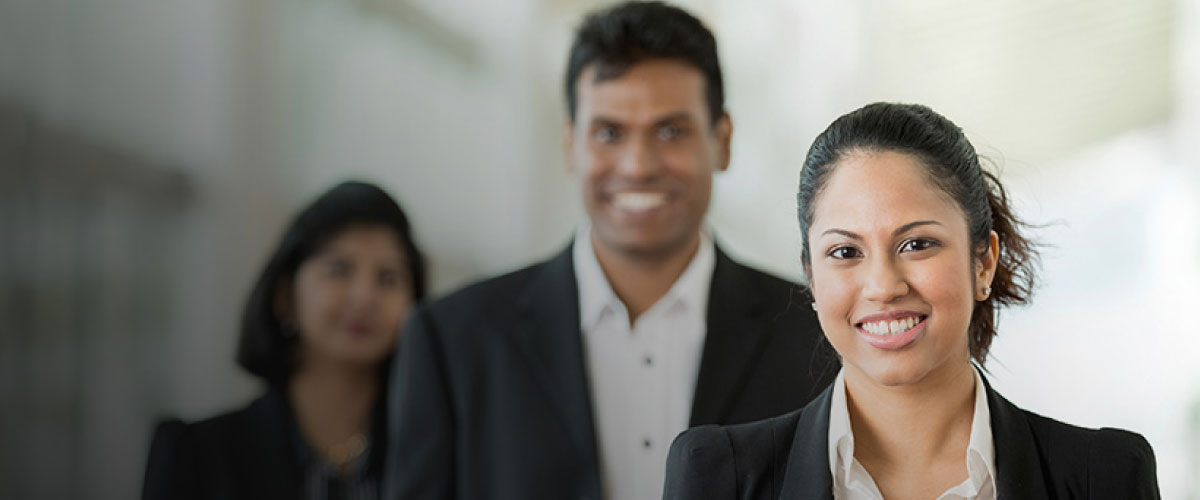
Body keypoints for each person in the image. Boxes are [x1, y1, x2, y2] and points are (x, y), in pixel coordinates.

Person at [383, 2, 837, 500]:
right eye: (609, 133)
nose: (638, 165)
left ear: (721, 141)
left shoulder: (818, 338)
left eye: (670, 131)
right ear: (570, 144)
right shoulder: (454, 342)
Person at [663, 102, 1161, 499]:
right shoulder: (720, 476)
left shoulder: (1105, 477)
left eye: (916, 244)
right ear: (812, 277)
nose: (883, 285)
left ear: (983, 261)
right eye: (845, 251)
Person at [142, 181, 427, 500]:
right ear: (284, 297)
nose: (364, 296)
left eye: (388, 277)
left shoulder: (436, 454)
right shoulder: (198, 455)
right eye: (339, 269)